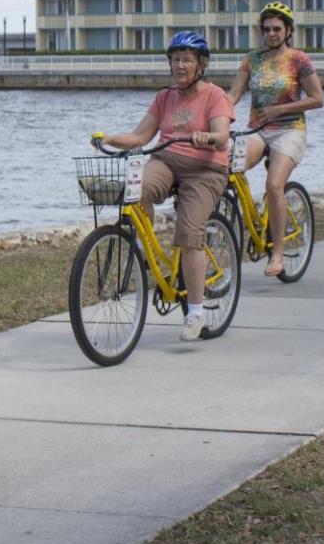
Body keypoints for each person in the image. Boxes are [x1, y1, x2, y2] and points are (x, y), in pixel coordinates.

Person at [97, 31, 234, 340]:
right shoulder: (164, 96)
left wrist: (207, 137)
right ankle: (149, 253)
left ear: (201, 64)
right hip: (168, 160)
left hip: (205, 167)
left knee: (189, 233)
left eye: (187, 60)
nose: (180, 66)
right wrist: (108, 139)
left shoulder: (215, 95)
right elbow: (140, 137)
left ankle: (195, 312)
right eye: (175, 60)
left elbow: (222, 135)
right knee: (135, 190)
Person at [225, 1, 324, 275]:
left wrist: (280, 108)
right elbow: (233, 95)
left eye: (277, 29)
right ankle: (248, 222)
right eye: (267, 29)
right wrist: (215, 112)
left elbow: (317, 99)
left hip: (289, 129)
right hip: (258, 130)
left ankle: (277, 254)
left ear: (288, 30)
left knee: (273, 184)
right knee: (226, 169)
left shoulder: (299, 60)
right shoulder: (252, 59)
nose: (271, 34)